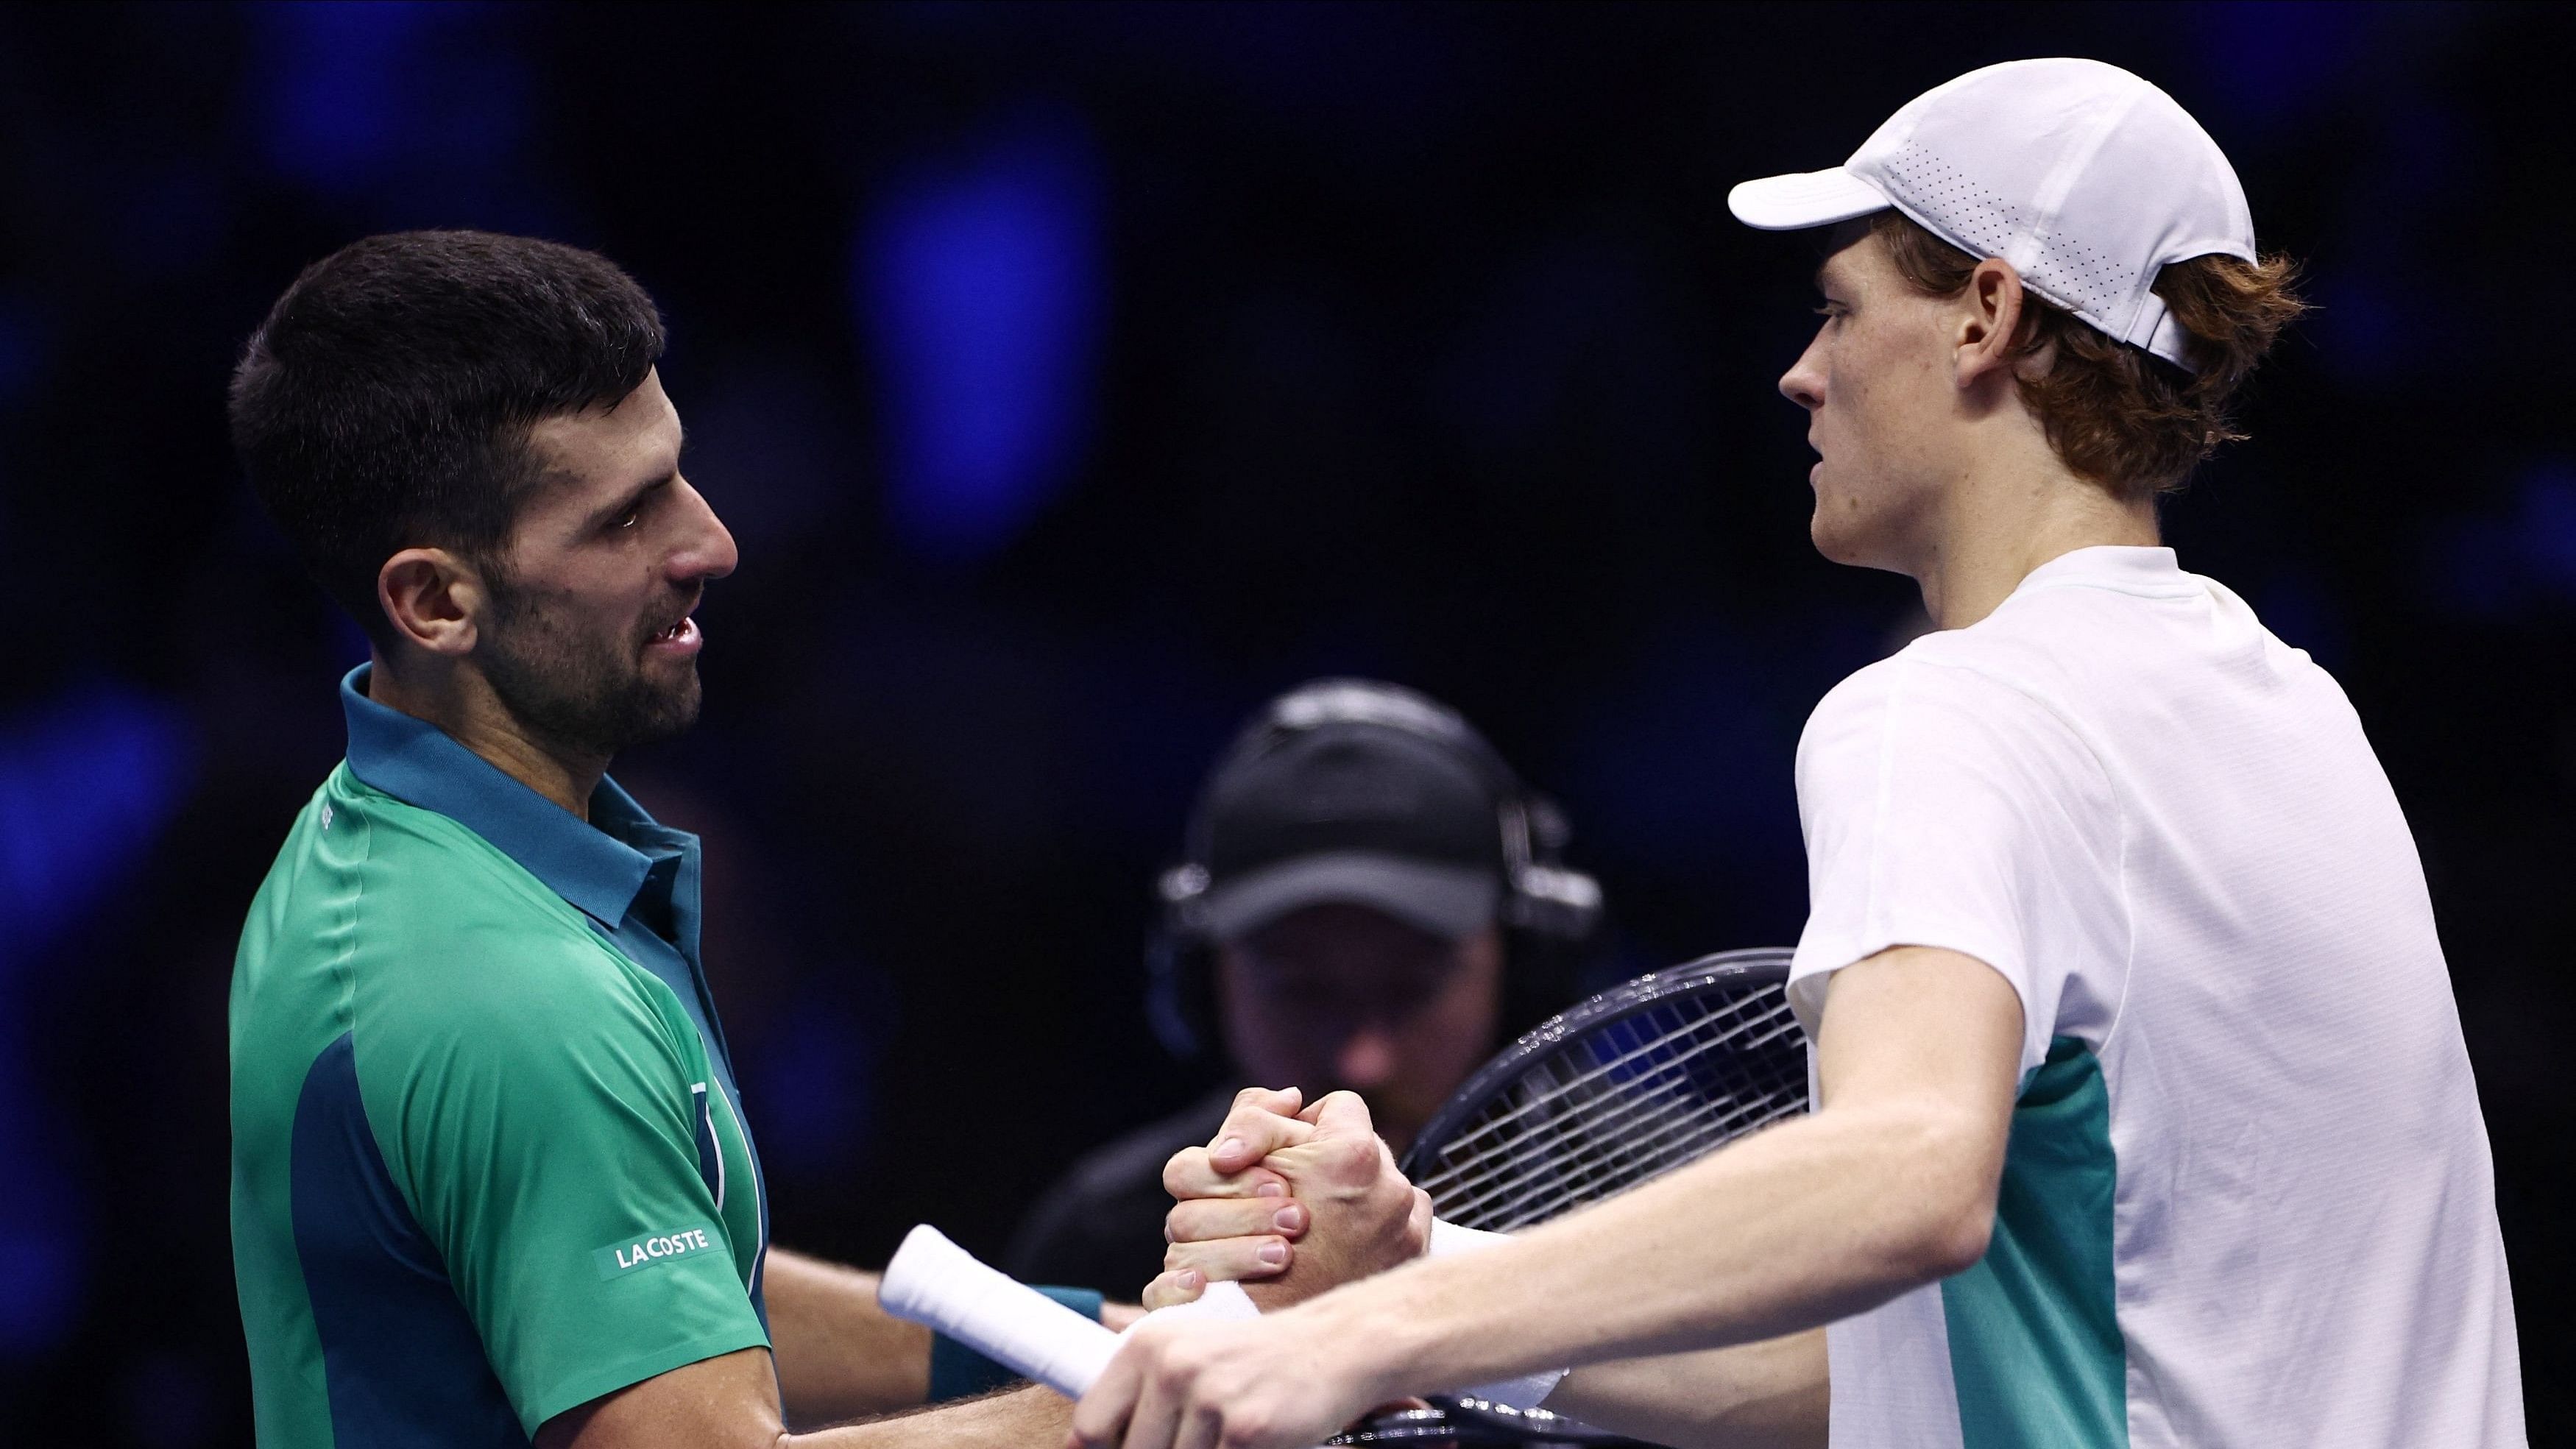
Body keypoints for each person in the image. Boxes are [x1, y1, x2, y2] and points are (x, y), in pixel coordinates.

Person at [1076, 57, 2524, 1449]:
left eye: (1838, 312)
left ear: (1984, 316)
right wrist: (1414, 1275)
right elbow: (1909, 1380)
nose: (1797, 373)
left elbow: (1904, 1178)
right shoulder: (2300, 718)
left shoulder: (1951, 710)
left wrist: (1347, 1342)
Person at [224, 230, 1128, 1449]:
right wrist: (1173, 1405)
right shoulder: (502, 992)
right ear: (435, 600)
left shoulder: (384, 830)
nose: (712, 542)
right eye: (625, 518)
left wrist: (1119, 1341)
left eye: (679, 476)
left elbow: (667, 1317)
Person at [1008, 679, 1603, 1297]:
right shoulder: (1097, 1238)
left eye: (1412, 987)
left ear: (1527, 966)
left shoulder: (1665, 1188)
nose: (1361, 1065)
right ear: (1204, 985)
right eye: (1299, 990)